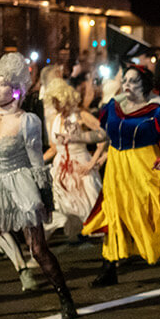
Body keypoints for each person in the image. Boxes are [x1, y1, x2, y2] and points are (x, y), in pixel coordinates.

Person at [0, 53, 78, 319]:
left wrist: (45, 199)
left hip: (19, 184)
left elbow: (37, 163)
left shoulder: (28, 121)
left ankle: (65, 297)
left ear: (16, 90)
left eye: (1, 84)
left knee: (37, 249)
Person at [82, 65, 160, 287]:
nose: (126, 85)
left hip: (147, 165)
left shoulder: (156, 110)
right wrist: (74, 138)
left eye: (133, 81)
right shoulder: (114, 106)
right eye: (125, 80)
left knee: (158, 211)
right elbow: (102, 134)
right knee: (114, 212)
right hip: (117, 168)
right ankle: (109, 268)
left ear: (145, 86)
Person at [41, 78, 106, 239]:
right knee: (65, 205)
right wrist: (37, 162)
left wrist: (94, 160)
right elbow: (54, 148)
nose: (56, 105)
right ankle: (75, 232)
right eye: (53, 102)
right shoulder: (55, 120)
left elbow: (103, 135)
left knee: (90, 204)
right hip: (62, 168)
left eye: (58, 101)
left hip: (81, 164)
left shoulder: (80, 115)